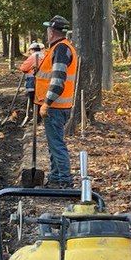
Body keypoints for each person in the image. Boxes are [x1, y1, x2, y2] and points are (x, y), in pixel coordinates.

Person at [36, 15, 78, 188]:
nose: (47, 33)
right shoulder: (61, 48)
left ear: (52, 32)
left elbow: (58, 80)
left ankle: (64, 181)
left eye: (48, 30)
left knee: (57, 145)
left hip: (55, 106)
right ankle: (55, 178)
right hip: (59, 105)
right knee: (54, 144)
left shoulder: (60, 50)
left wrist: (46, 103)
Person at [19, 41, 44, 110]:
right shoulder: (44, 56)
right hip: (44, 83)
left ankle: (35, 115)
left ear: (32, 50)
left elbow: (23, 68)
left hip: (33, 83)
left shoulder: (33, 57)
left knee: (33, 100)